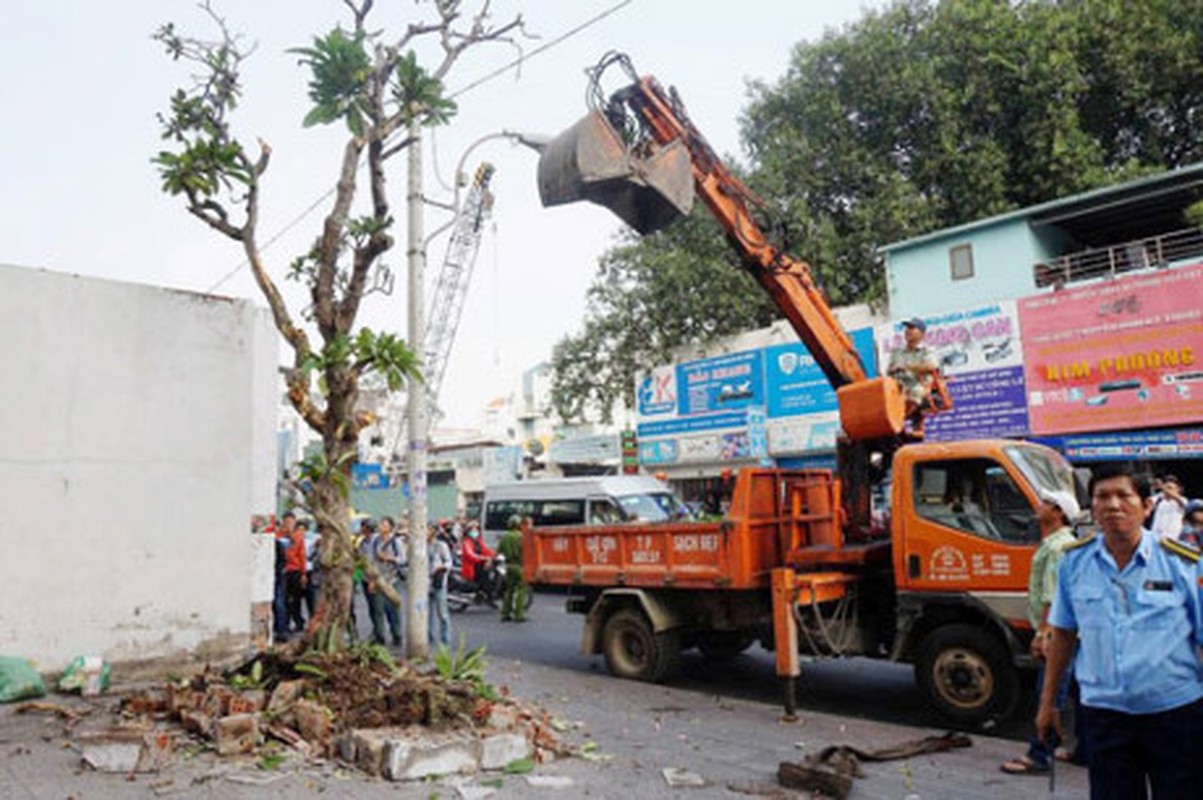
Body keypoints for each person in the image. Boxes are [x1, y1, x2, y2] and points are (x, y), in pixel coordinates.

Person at [1035, 464, 1203, 799]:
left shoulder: (1183, 563)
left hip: (1174, 715)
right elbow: (1063, 636)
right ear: (1092, 507)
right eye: (1102, 497)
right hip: (1105, 717)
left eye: (1123, 495)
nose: (1112, 505)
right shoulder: (1074, 563)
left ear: (1147, 506)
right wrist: (1047, 703)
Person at [1001, 489, 1081, 776]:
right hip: (1068, 632)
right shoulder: (1055, 543)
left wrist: (1043, 633)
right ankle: (1083, 750)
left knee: (1050, 692)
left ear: (1058, 513)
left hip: (1059, 633)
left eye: (1046, 503)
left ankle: (1039, 754)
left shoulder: (1059, 547)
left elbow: (1053, 595)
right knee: (1077, 690)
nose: (1039, 506)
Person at [887, 317, 940, 437]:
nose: (907, 331)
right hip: (900, 385)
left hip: (920, 385)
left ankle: (899, 420)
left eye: (912, 328)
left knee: (916, 391)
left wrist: (906, 367)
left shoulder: (927, 351)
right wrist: (893, 370)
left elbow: (931, 366)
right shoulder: (897, 352)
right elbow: (889, 371)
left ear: (921, 333)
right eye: (906, 328)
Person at [371, 516, 406, 647]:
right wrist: (372, 580)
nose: (381, 527)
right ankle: (380, 636)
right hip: (379, 580)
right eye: (380, 524)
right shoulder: (375, 541)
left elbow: (403, 560)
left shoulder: (396, 542)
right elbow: (371, 561)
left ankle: (397, 635)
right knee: (378, 609)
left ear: (390, 527)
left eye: (384, 524)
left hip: (393, 580)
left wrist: (389, 558)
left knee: (393, 609)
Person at [498, 515, 528, 623]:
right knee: (521, 591)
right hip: (519, 566)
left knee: (508, 590)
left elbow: (499, 552)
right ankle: (518, 615)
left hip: (508, 566)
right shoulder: (521, 536)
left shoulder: (505, 537)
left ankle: (505, 614)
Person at [428, 524, 454, 648]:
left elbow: (449, 562)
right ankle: (428, 639)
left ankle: (445, 641)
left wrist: (442, 567)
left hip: (439, 583)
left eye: (429, 529)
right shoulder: (420, 546)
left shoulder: (441, 546)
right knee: (427, 614)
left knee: (442, 613)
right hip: (425, 584)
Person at [282, 513, 308, 634]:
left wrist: (304, 573)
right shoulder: (279, 535)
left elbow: (302, 556)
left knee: (295, 599)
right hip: (283, 571)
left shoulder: (298, 537)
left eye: (290, 522)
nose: (288, 524)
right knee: (284, 599)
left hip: (295, 571)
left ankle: (299, 622)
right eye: (286, 522)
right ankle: (285, 624)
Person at [460, 522, 496, 602]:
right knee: (485, 577)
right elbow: (470, 555)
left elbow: (486, 550)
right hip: (472, 566)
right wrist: (484, 558)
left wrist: (495, 554)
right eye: (473, 529)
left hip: (480, 564)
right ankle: (486, 595)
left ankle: (488, 594)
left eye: (476, 529)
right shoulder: (466, 542)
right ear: (468, 531)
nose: (475, 531)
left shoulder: (478, 541)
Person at [1148, 473, 1187, 539]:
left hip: (1173, 538)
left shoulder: (1182, 500)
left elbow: (1183, 504)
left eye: (1170, 488)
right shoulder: (1159, 499)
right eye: (1167, 487)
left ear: (1178, 490)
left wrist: (1163, 487)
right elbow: (1148, 502)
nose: (1167, 490)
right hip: (1156, 537)